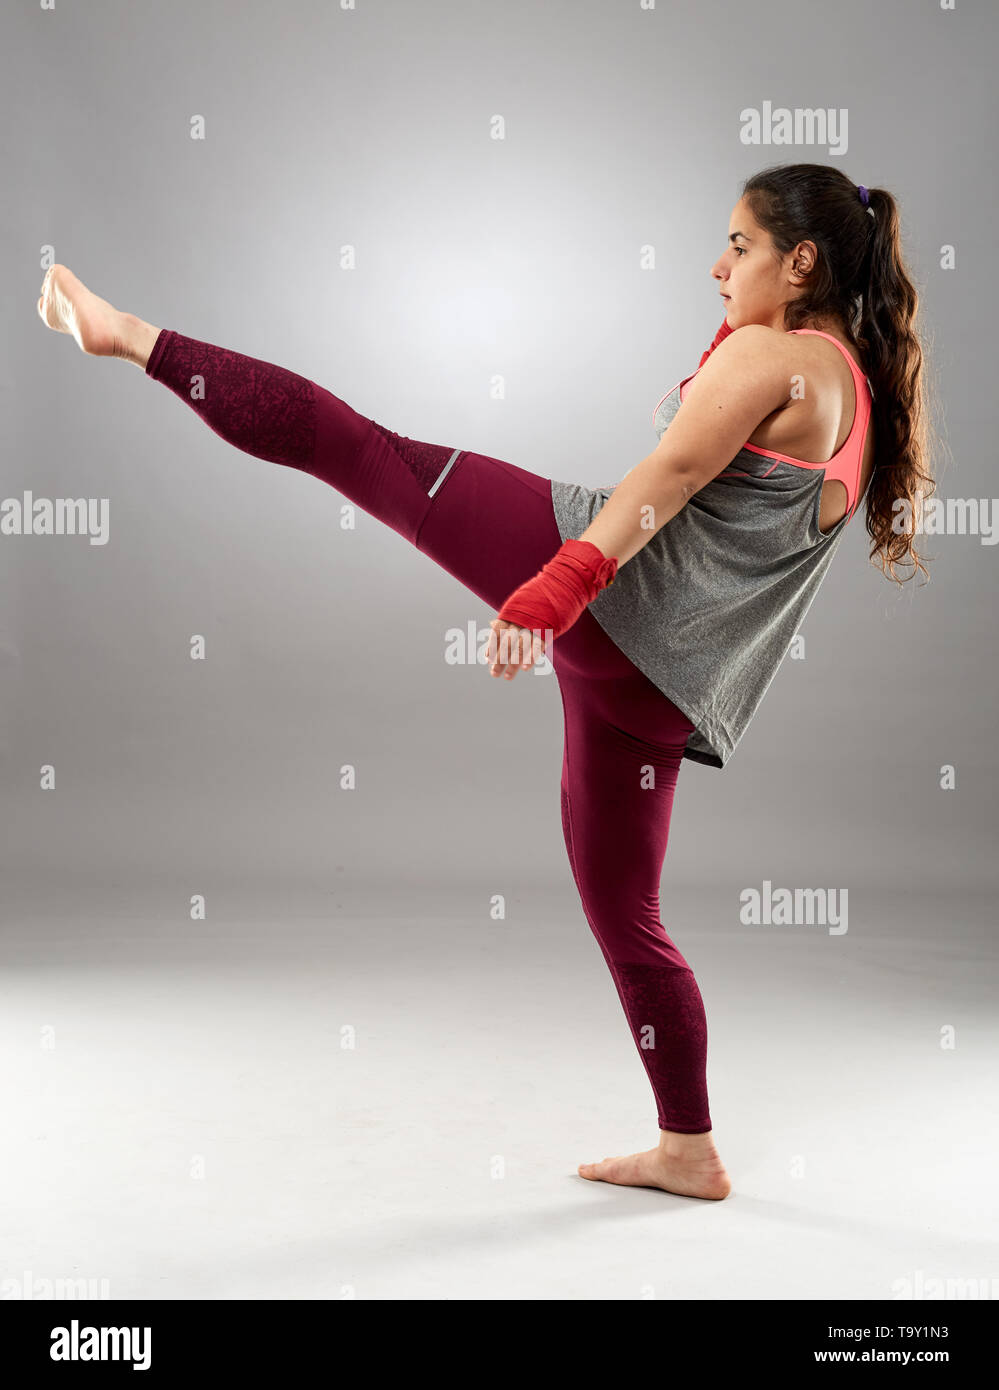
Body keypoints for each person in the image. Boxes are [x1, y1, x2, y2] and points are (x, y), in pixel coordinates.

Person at [36, 161, 933, 1201]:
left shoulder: (782, 355)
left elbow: (668, 478)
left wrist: (560, 583)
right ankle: (688, 1146)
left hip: (607, 608)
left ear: (802, 260)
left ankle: (132, 338)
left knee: (361, 450)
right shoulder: (857, 394)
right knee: (627, 913)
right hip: (658, 688)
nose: (717, 265)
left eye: (739, 244)